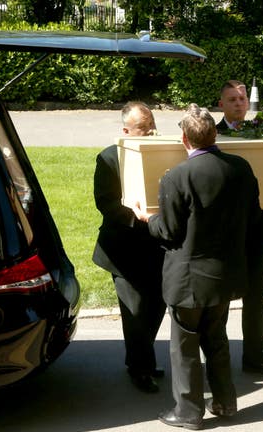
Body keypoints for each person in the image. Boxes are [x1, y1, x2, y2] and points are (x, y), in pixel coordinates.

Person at [134, 104, 263, 430]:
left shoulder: (176, 177)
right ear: (214, 133)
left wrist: (147, 219)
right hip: (225, 273)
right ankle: (225, 401)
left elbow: (169, 232)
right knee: (217, 338)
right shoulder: (240, 168)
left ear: (183, 139)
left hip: (189, 278)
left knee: (185, 345)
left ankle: (189, 411)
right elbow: (253, 215)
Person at [92, 101, 165, 393]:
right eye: (143, 129)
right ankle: (140, 368)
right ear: (125, 131)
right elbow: (104, 202)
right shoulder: (109, 159)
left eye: (152, 127)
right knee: (134, 311)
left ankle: (139, 357)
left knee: (157, 305)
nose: (150, 133)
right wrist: (137, 217)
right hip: (123, 248)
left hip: (156, 245)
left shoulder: (159, 154)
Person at [216, 80, 263, 377]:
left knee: (257, 296)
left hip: (257, 228)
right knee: (218, 299)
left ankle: (255, 356)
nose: (239, 103)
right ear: (221, 104)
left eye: (242, 98)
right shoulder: (212, 135)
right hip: (224, 232)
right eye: (232, 99)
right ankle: (217, 360)